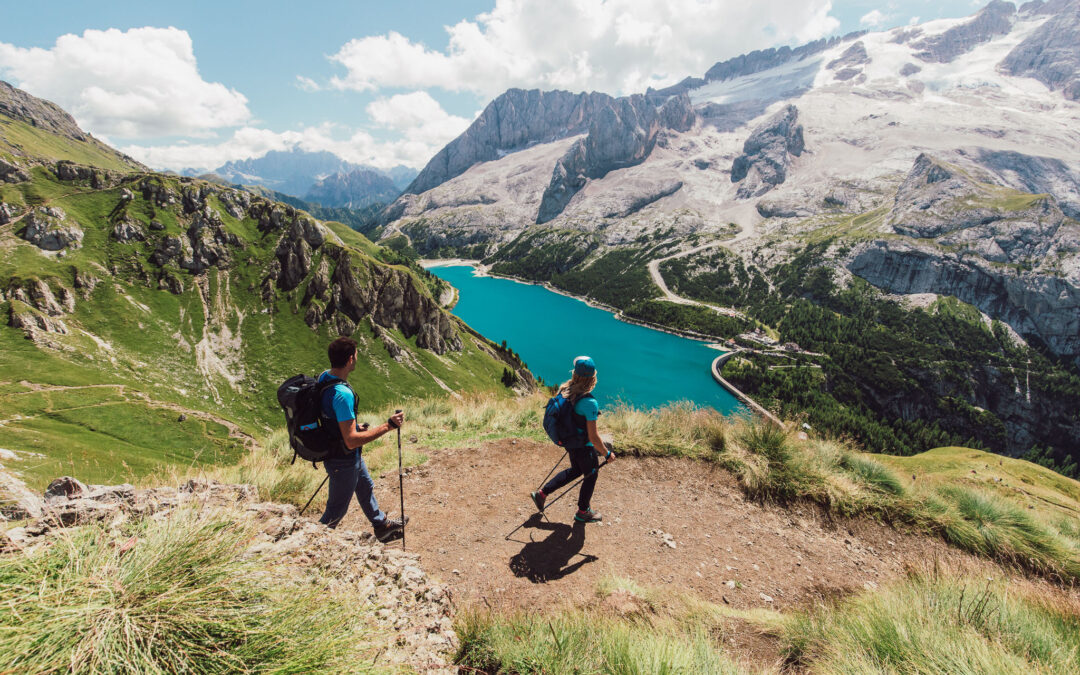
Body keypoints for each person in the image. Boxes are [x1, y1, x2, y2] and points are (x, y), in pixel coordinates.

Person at [317, 336, 408, 541]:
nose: (357, 358)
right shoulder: (343, 394)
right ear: (350, 360)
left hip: (344, 453)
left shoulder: (325, 377)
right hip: (343, 458)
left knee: (365, 486)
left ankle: (381, 525)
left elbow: (330, 417)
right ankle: (312, 545)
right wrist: (388, 425)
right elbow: (351, 440)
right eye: (356, 355)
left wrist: (352, 426)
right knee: (336, 510)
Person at [530, 356, 614, 523]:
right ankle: (583, 511)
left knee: (576, 470)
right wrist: (607, 453)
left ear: (575, 374)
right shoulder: (589, 402)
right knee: (591, 474)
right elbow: (593, 437)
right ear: (592, 377)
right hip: (583, 446)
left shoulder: (566, 390)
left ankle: (542, 494)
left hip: (570, 442)